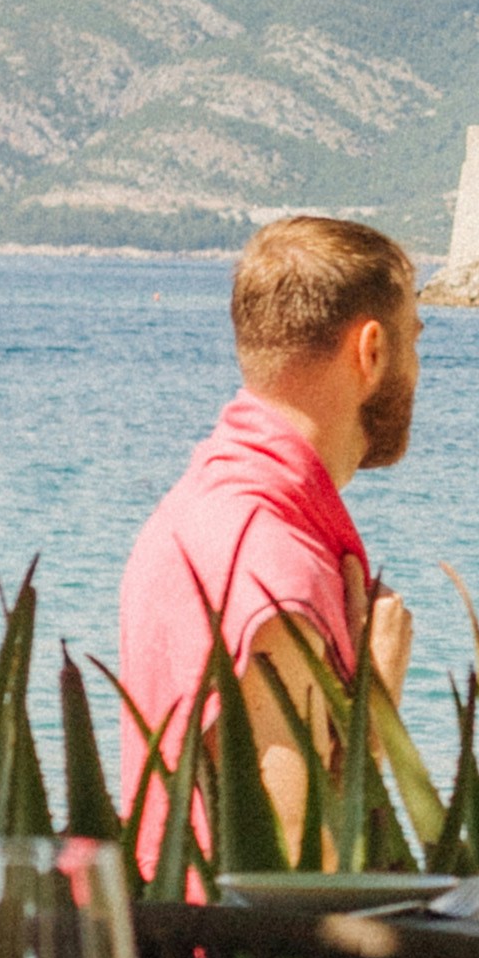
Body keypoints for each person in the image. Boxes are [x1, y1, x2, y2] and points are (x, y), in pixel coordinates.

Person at [115, 212, 419, 833]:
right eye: (415, 340)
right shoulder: (275, 564)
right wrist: (376, 709)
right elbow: (291, 871)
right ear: (372, 350)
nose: (418, 370)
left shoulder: (197, 506)